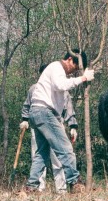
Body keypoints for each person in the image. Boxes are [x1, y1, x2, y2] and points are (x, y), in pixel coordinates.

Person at [23, 49, 94, 193]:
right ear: (69, 59)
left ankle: (31, 186)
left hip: (38, 112)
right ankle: (74, 182)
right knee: (65, 148)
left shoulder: (54, 69)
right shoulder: (56, 67)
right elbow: (61, 85)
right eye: (74, 68)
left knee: (41, 153)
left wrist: (72, 123)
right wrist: (83, 78)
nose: (72, 73)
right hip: (44, 111)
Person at [19, 64, 78, 193]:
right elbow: (27, 105)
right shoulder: (34, 88)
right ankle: (73, 182)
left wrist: (72, 125)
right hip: (42, 118)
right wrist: (24, 119)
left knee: (51, 156)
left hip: (55, 121)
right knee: (50, 151)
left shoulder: (63, 89)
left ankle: (58, 188)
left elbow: (69, 108)